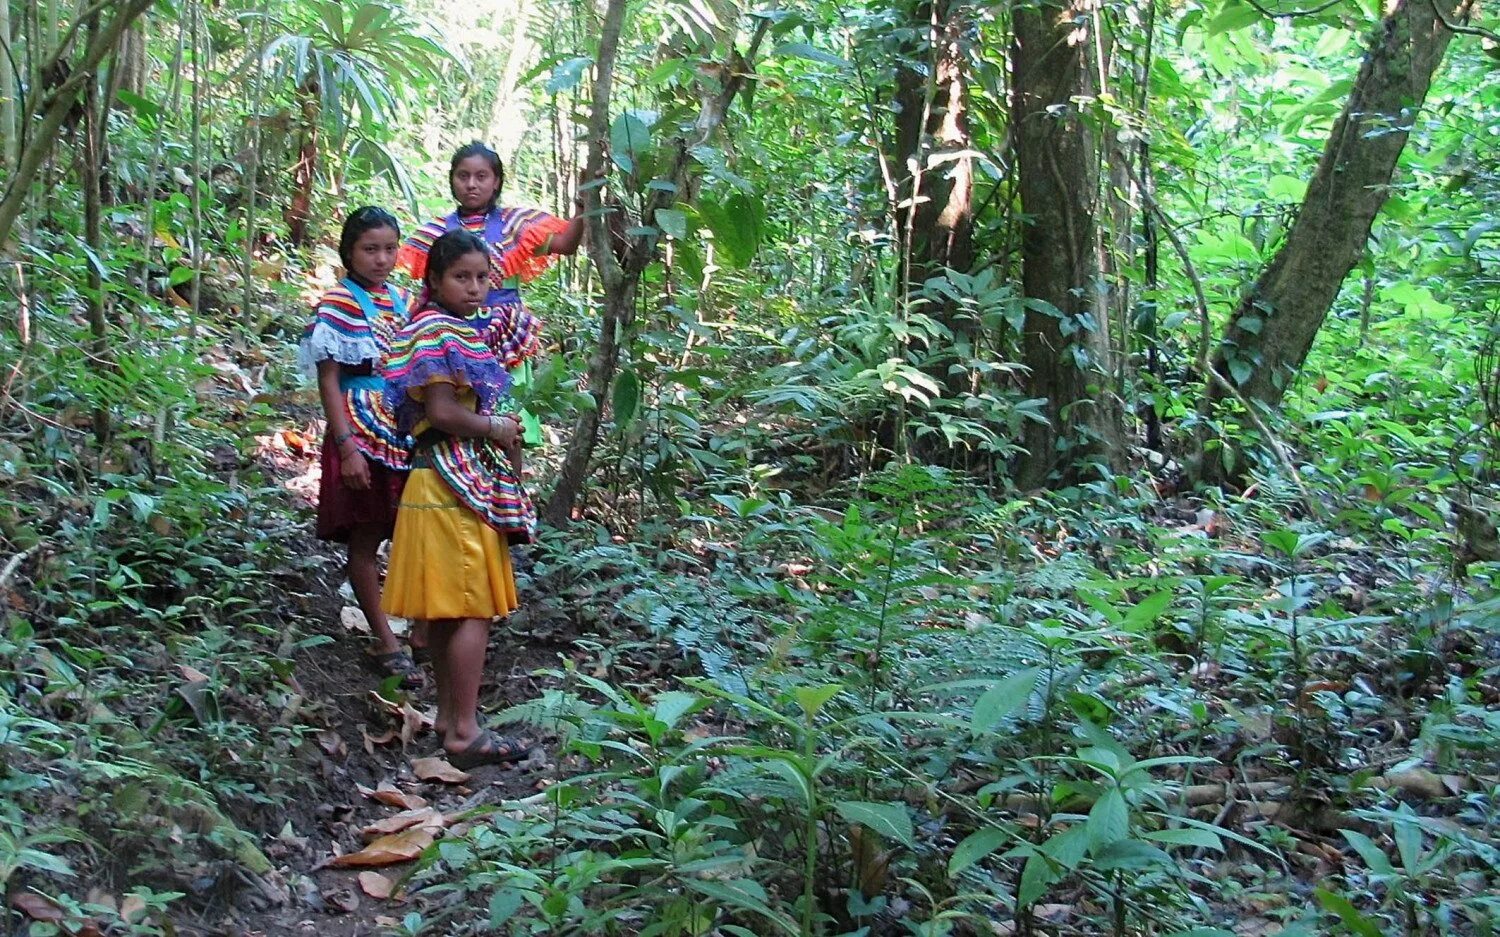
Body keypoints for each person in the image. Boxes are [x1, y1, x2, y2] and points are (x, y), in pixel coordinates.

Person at [395, 141, 585, 656]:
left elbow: (566, 241)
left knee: (502, 421)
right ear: (452, 179)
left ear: (497, 180)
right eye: (463, 175)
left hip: (500, 340)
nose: (472, 184)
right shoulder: (436, 238)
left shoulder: (518, 222)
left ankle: (508, 504)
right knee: (456, 427)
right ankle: (429, 620)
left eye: (482, 176)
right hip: (453, 353)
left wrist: (590, 197)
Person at [382, 230, 539, 768]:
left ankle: (451, 720)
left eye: (481, 278)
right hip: (452, 484)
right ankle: (465, 732)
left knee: (451, 611)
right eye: (461, 277)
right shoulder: (435, 331)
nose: (474, 288)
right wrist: (495, 426)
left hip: (437, 481)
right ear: (434, 280)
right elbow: (446, 414)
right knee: (473, 608)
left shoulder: (449, 328)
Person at [299, 207, 419, 687]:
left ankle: (418, 632)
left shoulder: (403, 301)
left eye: (390, 248)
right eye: (371, 249)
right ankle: (385, 641)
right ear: (349, 251)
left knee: (410, 528)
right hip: (361, 431)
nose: (382, 258)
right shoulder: (336, 304)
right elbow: (329, 381)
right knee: (368, 534)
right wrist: (346, 446)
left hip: (403, 431)